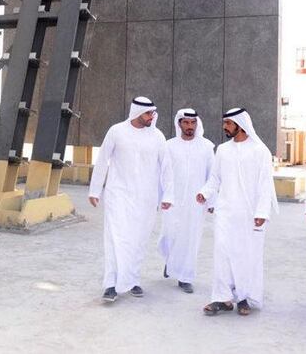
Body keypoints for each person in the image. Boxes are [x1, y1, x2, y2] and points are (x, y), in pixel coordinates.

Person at [89, 96, 174, 302]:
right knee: (115, 238)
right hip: (118, 194)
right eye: (148, 113)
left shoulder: (158, 136)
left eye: (152, 113)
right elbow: (102, 161)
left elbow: (166, 168)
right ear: (137, 113)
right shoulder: (116, 131)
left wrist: (168, 195)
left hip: (146, 197)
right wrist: (95, 190)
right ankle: (111, 284)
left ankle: (133, 280)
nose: (152, 117)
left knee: (138, 240)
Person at [196, 108, 278, 316]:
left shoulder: (260, 151)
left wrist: (262, 212)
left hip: (250, 215)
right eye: (225, 123)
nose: (224, 127)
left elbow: (265, 185)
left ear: (240, 125)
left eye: (228, 124)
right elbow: (215, 178)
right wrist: (205, 193)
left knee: (246, 256)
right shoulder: (223, 150)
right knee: (222, 254)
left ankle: (243, 298)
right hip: (225, 212)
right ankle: (221, 298)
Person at [158, 108, 214, 293]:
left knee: (191, 238)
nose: (190, 126)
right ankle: (171, 260)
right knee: (170, 234)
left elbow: (212, 175)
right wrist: (163, 197)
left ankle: (185, 277)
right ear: (179, 123)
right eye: (186, 123)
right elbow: (163, 174)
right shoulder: (169, 146)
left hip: (196, 201)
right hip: (173, 199)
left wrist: (211, 200)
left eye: (193, 123)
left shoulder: (206, 146)